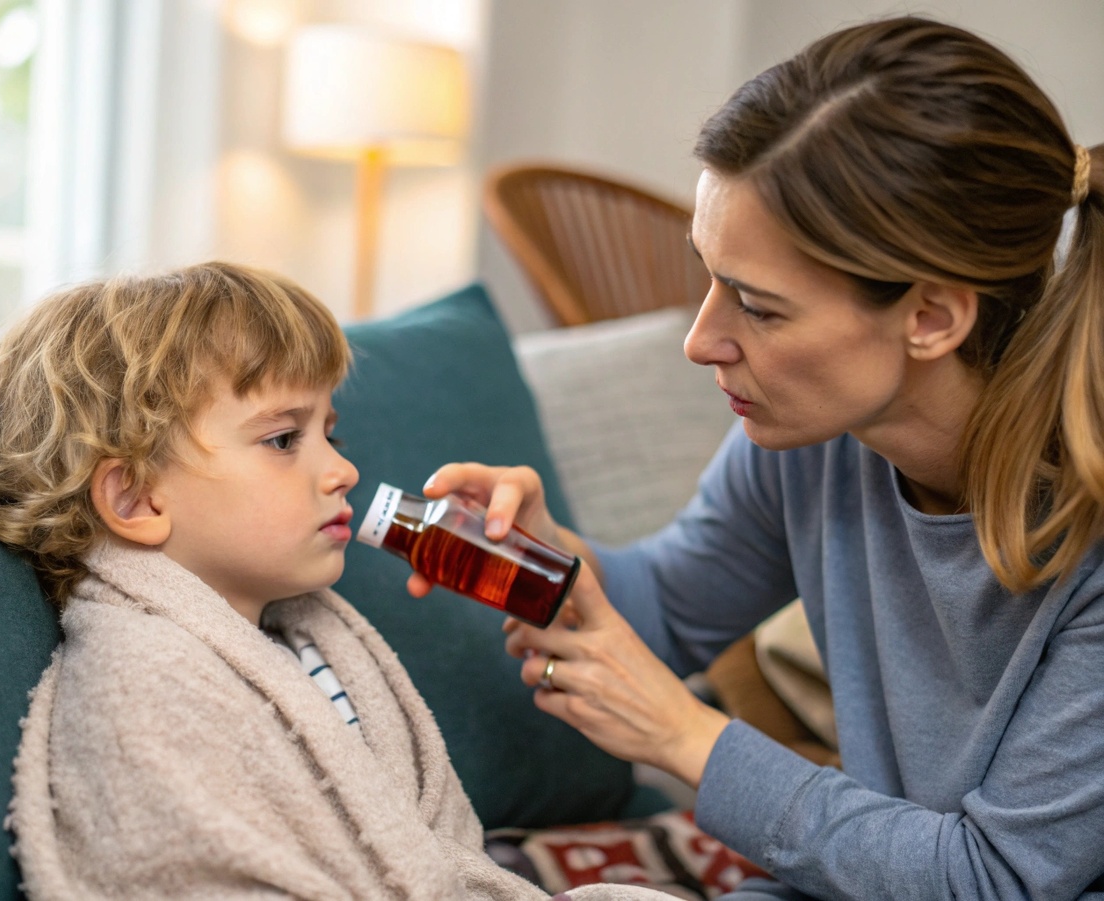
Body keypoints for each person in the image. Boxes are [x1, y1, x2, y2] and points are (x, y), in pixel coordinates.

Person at [417, 16, 1104, 901]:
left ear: (932, 316)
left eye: (758, 307)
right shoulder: (814, 443)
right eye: (709, 277)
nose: (701, 341)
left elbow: (992, 878)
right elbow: (667, 606)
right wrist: (549, 557)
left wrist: (685, 737)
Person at [0, 261, 670, 900]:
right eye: (284, 439)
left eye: (333, 433)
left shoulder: (310, 640)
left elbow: (436, 856)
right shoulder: (141, 684)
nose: (342, 470)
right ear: (138, 499)